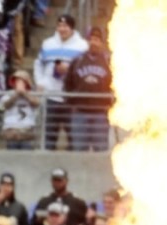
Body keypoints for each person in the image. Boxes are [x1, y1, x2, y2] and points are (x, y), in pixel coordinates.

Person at [34, 14, 88, 150]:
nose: (62, 29)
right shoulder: (48, 43)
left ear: (72, 28)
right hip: (51, 95)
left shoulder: (82, 46)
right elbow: (38, 63)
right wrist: (40, 81)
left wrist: (69, 70)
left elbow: (85, 68)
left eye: (65, 26)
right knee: (50, 135)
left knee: (73, 136)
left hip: (71, 98)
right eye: (59, 26)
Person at [63, 26, 112, 152]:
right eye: (91, 39)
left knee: (101, 149)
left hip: (101, 113)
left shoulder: (109, 61)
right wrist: (72, 102)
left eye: (97, 39)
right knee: (79, 149)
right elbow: (68, 85)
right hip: (80, 112)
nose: (93, 42)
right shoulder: (78, 60)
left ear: (102, 42)